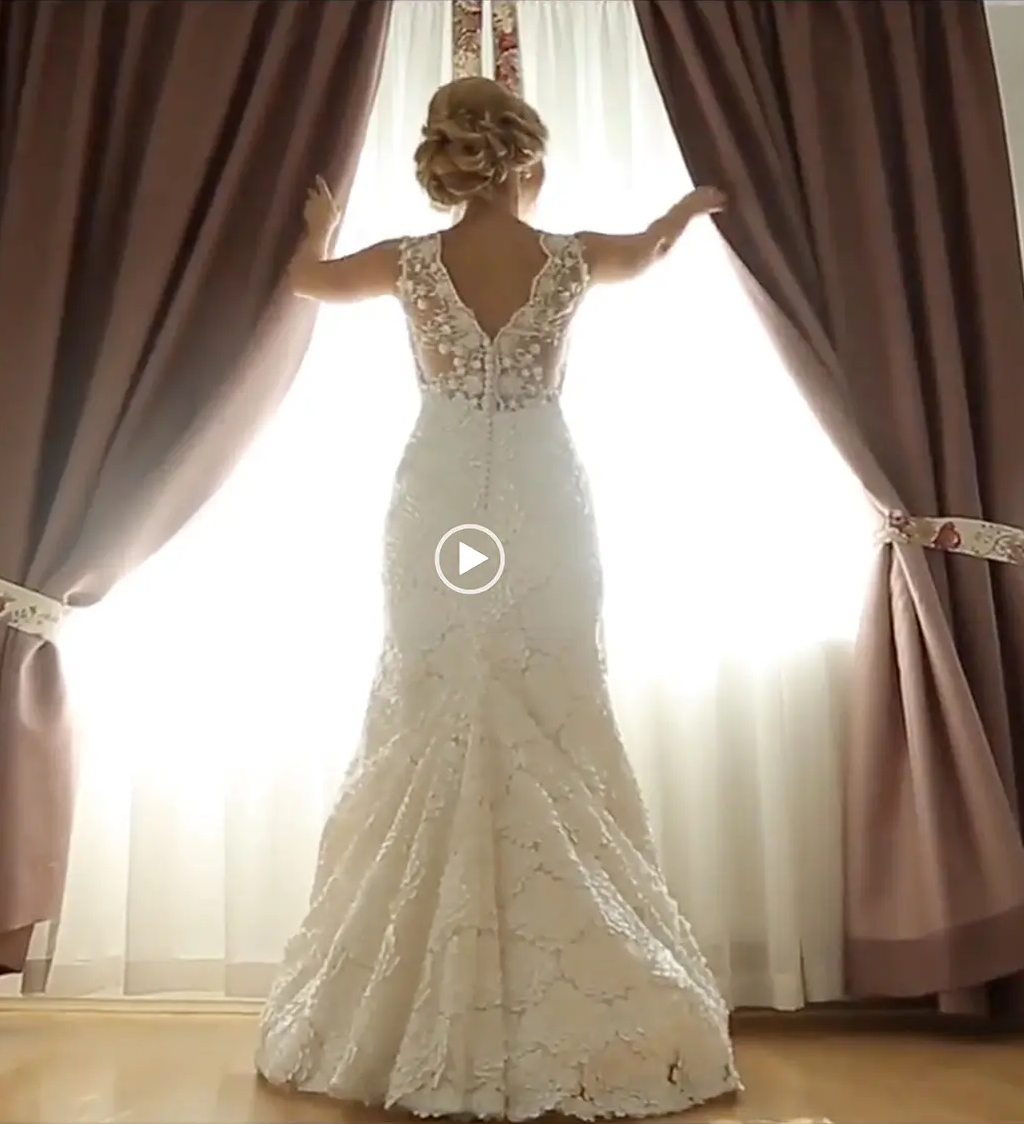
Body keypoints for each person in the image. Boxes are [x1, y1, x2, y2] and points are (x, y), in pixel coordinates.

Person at [251, 76, 739, 1121]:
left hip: (434, 499)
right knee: (551, 710)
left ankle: (396, 999)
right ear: (525, 160)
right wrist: (679, 214)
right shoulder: (568, 255)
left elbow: (303, 280)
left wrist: (323, 226)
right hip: (539, 494)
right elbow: (647, 253)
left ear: (448, 162)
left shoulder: (401, 262)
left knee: (430, 703)